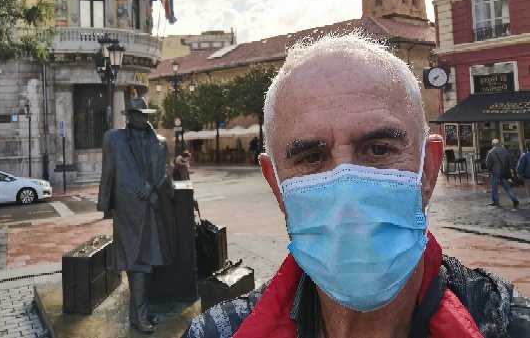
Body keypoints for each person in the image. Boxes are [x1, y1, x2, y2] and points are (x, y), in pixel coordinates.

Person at [182, 34, 529, 338]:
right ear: (276, 184)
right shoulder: (214, 332)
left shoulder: (509, 323)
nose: (347, 193)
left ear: (428, 168)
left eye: (379, 150)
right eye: (311, 157)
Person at [98, 98, 176, 334]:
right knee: (137, 264)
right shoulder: (114, 139)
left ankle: (138, 315)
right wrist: (105, 205)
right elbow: (108, 172)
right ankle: (140, 318)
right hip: (128, 211)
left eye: (145, 114)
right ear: (129, 116)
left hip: (152, 209)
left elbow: (165, 174)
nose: (143, 118)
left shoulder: (160, 142)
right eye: (138, 114)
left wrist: (152, 187)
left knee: (145, 264)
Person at [485, 139, 520, 207]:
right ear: (499, 144)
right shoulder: (506, 151)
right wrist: (511, 172)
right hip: (504, 172)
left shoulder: (491, 152)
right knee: (507, 187)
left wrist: (490, 170)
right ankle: (514, 199)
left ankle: (495, 201)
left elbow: (488, 163)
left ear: (493, 144)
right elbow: (510, 163)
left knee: (494, 187)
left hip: (495, 172)